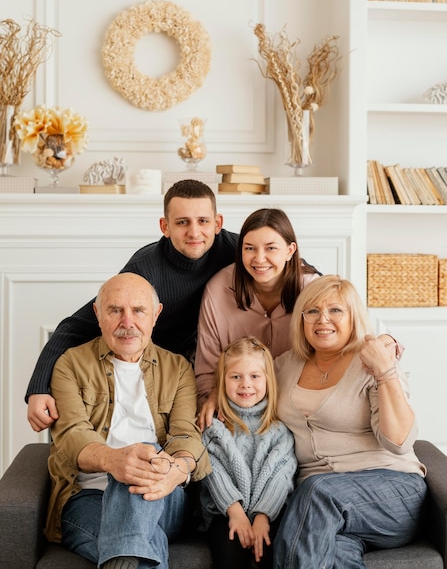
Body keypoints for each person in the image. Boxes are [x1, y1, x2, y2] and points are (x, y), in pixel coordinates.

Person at [26, 179, 239, 432]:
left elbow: (286, 260)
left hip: (210, 357)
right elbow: (76, 325)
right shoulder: (145, 268)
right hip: (156, 367)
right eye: (182, 222)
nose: (194, 232)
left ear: (218, 224)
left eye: (203, 221)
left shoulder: (236, 248)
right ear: (165, 226)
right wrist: (38, 389)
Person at [45, 272, 211, 569]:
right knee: (144, 546)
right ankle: (127, 554)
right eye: (115, 310)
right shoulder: (70, 364)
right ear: (98, 313)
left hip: (162, 496)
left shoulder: (178, 368)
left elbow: (186, 434)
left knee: (142, 454)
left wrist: (180, 468)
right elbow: (72, 435)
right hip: (88, 497)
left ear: (155, 315)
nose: (127, 322)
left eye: (138, 310)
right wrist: (113, 460)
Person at [272, 274, 427, 568]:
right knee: (333, 553)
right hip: (321, 508)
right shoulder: (283, 366)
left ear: (353, 317)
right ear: (301, 319)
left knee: (318, 492)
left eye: (335, 310)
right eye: (312, 311)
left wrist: (385, 371)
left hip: (392, 492)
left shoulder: (372, 359)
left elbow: (399, 442)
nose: (322, 320)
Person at [195, 208, 321, 424]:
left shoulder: (312, 289)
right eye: (250, 248)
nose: (259, 259)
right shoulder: (218, 291)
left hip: (296, 405)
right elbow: (207, 369)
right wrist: (213, 398)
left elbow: (346, 334)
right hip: (235, 407)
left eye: (271, 248)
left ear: (290, 250)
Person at [200, 336, 297, 569]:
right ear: (222, 381)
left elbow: (282, 477)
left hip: (269, 513)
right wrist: (235, 512)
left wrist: (263, 517)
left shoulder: (279, 431)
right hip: (226, 513)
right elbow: (212, 471)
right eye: (235, 377)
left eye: (254, 376)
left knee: (268, 552)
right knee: (230, 551)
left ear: (267, 380)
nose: (245, 384)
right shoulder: (213, 428)